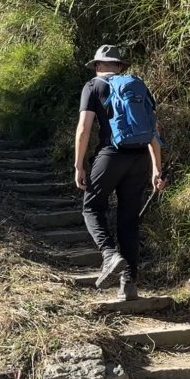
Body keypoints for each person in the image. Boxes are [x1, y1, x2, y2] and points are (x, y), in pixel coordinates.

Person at [74, 45, 167, 301]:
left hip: (110, 155)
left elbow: (84, 129)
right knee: (128, 219)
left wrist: (78, 164)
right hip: (139, 158)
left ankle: (109, 255)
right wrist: (156, 168)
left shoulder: (93, 86)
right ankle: (129, 285)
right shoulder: (137, 85)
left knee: (91, 209)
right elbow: (153, 130)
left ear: (97, 65)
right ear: (120, 65)